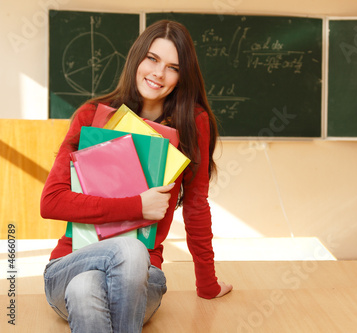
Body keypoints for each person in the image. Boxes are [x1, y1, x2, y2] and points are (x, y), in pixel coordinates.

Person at [40, 19, 232, 332]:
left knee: (89, 287)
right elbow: (50, 203)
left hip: (142, 277)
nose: (158, 73)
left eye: (173, 67)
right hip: (71, 263)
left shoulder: (192, 123)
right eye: (152, 59)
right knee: (112, 261)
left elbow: (197, 205)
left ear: (183, 76)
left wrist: (207, 283)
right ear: (136, 58)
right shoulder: (92, 115)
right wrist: (137, 206)